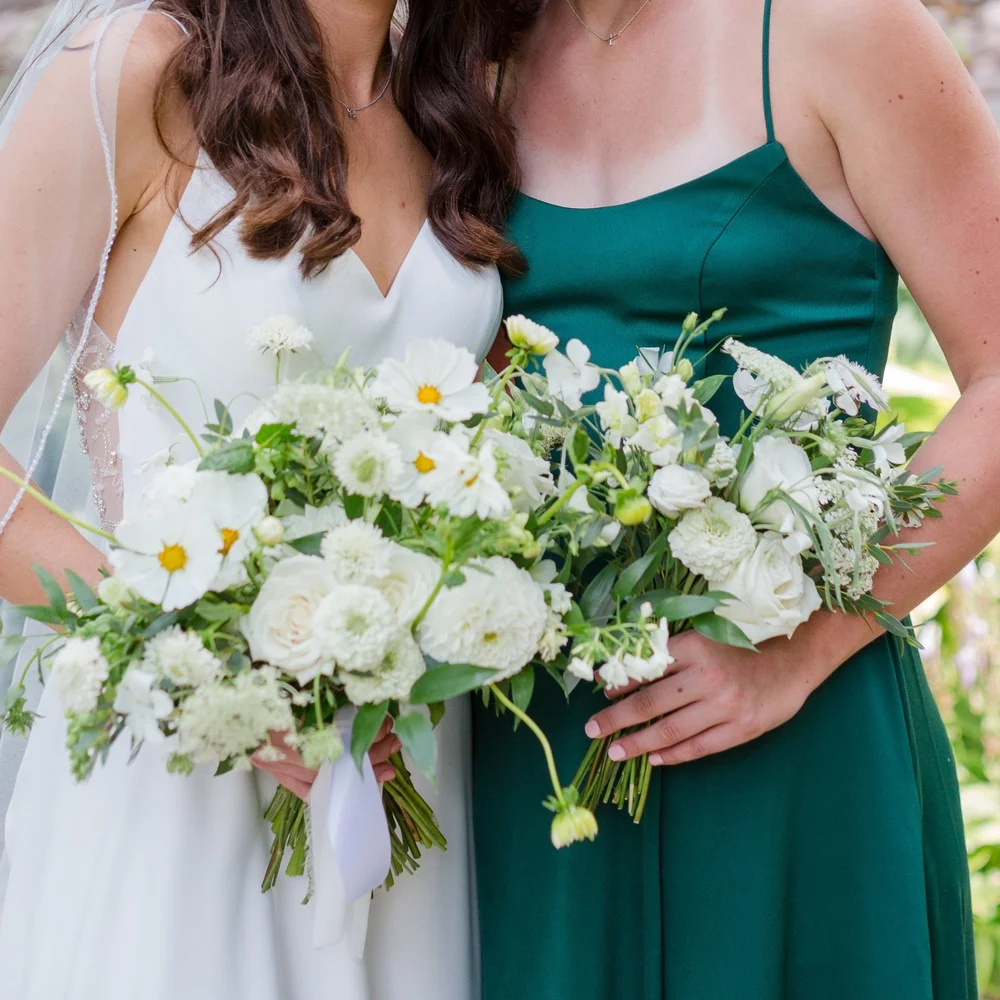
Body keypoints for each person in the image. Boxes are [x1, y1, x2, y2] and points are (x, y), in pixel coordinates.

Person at [475, 0, 1000, 997]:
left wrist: (804, 645)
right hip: (535, 754)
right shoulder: (474, 55)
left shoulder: (845, 27)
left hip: (788, 733)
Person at [0, 1, 521, 997]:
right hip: (181, 780)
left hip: (402, 772)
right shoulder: (140, 72)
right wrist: (200, 657)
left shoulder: (453, 103)